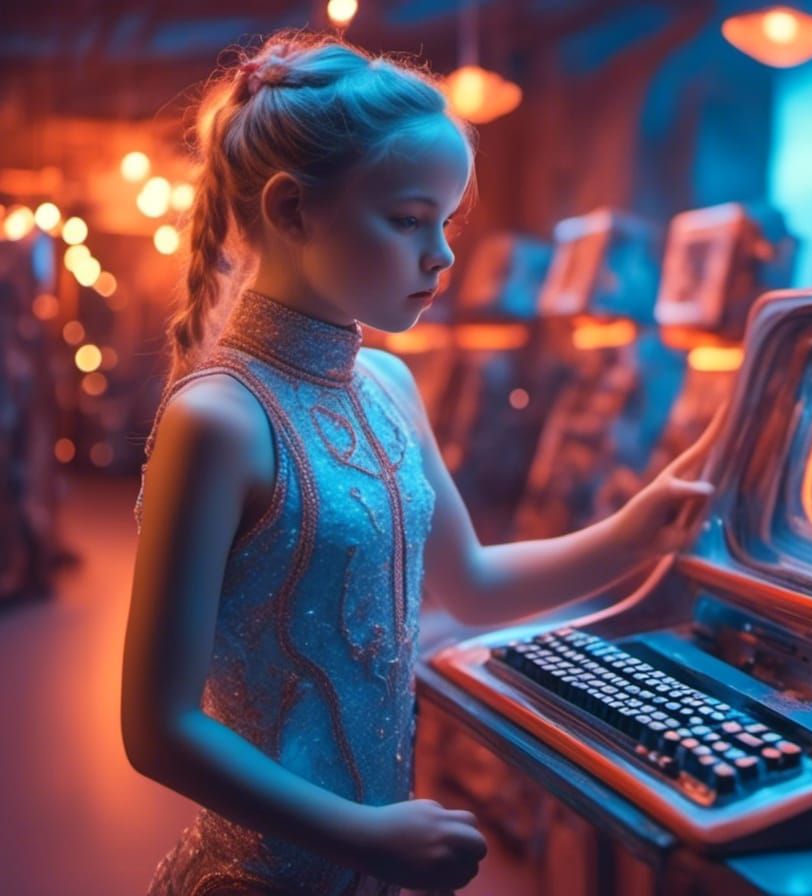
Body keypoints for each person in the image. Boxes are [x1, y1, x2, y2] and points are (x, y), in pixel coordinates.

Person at [121, 29, 716, 896]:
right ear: (292, 210)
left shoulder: (389, 385)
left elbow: (471, 584)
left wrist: (637, 530)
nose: (441, 254)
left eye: (445, 221)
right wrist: (362, 833)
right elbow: (158, 728)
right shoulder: (217, 420)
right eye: (407, 220)